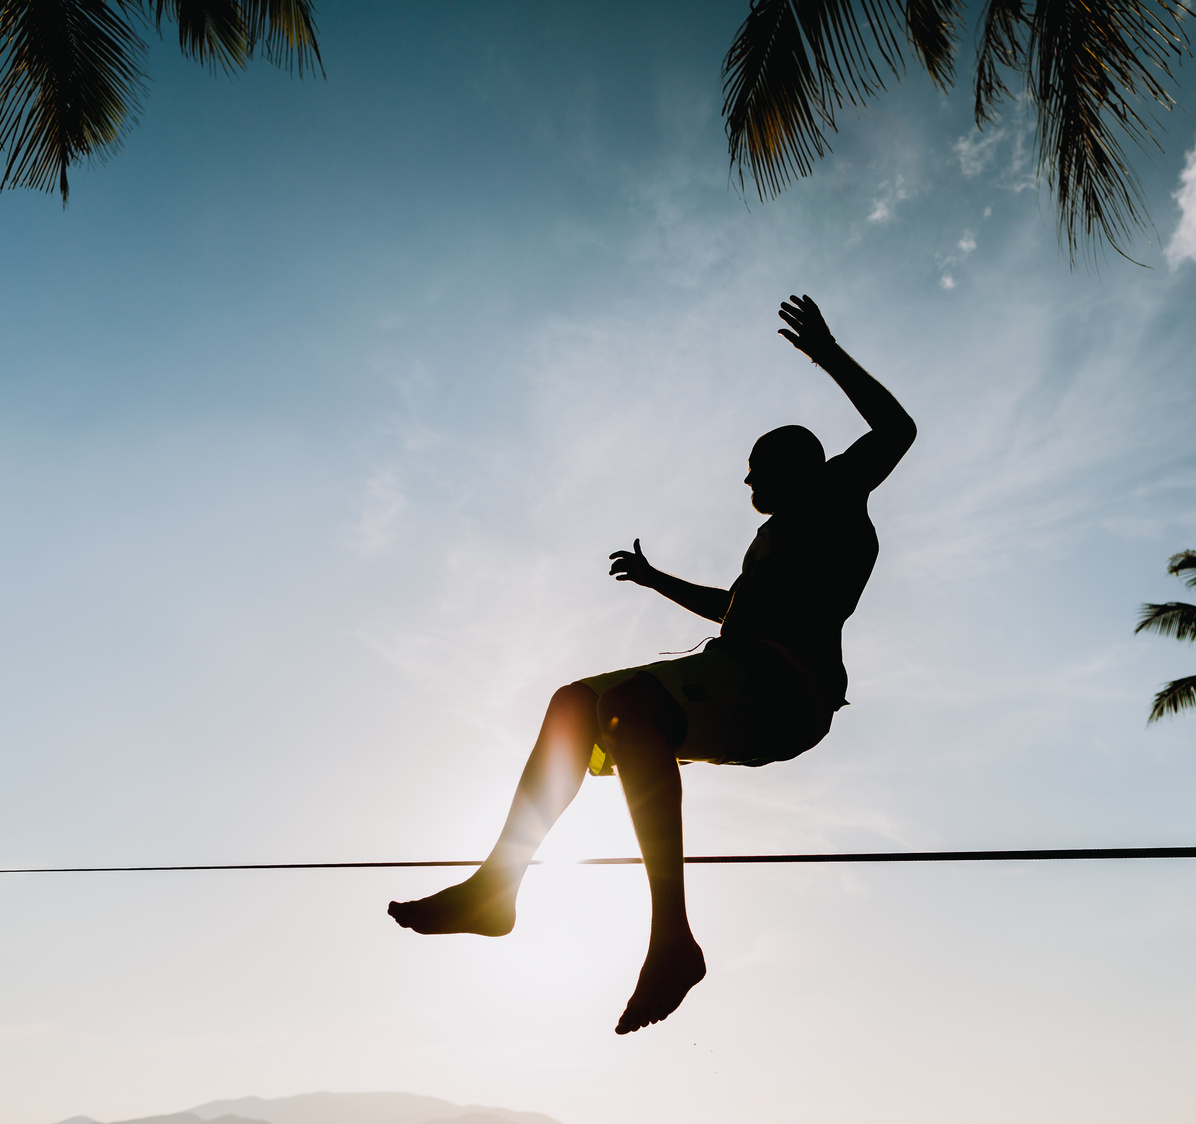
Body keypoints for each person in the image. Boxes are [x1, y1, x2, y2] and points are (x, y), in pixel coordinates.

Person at [388, 294, 916, 1035]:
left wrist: (825, 353)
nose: (744, 484)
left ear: (793, 465)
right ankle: (495, 890)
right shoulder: (778, 541)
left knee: (632, 706)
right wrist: (654, 578)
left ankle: (672, 941)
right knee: (574, 703)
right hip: (737, 676)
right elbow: (730, 608)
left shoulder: (834, 492)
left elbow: (897, 429)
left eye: (753, 469)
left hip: (784, 694)